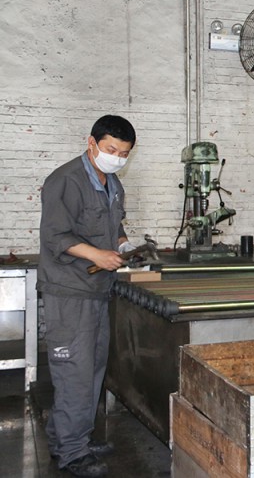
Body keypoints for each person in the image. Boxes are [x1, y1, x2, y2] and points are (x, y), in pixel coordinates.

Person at [38, 115, 138, 477]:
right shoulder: (65, 180)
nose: (117, 158)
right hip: (69, 292)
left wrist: (124, 244)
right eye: (111, 149)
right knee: (74, 372)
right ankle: (72, 453)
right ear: (92, 142)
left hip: (97, 291)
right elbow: (55, 235)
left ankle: (70, 436)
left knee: (92, 368)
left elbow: (114, 224)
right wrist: (97, 254)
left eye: (124, 154)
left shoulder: (112, 184)